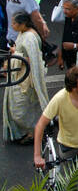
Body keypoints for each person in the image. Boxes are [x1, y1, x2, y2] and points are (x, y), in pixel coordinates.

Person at [2, 11, 49, 143]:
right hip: (19, 75)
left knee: (21, 110)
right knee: (25, 107)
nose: (12, 25)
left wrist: (14, 53)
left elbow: (31, 59)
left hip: (26, 78)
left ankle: (35, 133)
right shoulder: (24, 33)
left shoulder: (30, 37)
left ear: (23, 24)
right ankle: (32, 132)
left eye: (14, 23)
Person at [58, 0, 78, 70]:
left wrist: (74, 46)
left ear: (77, 8)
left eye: (68, 9)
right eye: (64, 8)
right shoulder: (68, 17)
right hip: (70, 62)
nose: (64, 11)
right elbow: (65, 37)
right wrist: (61, 56)